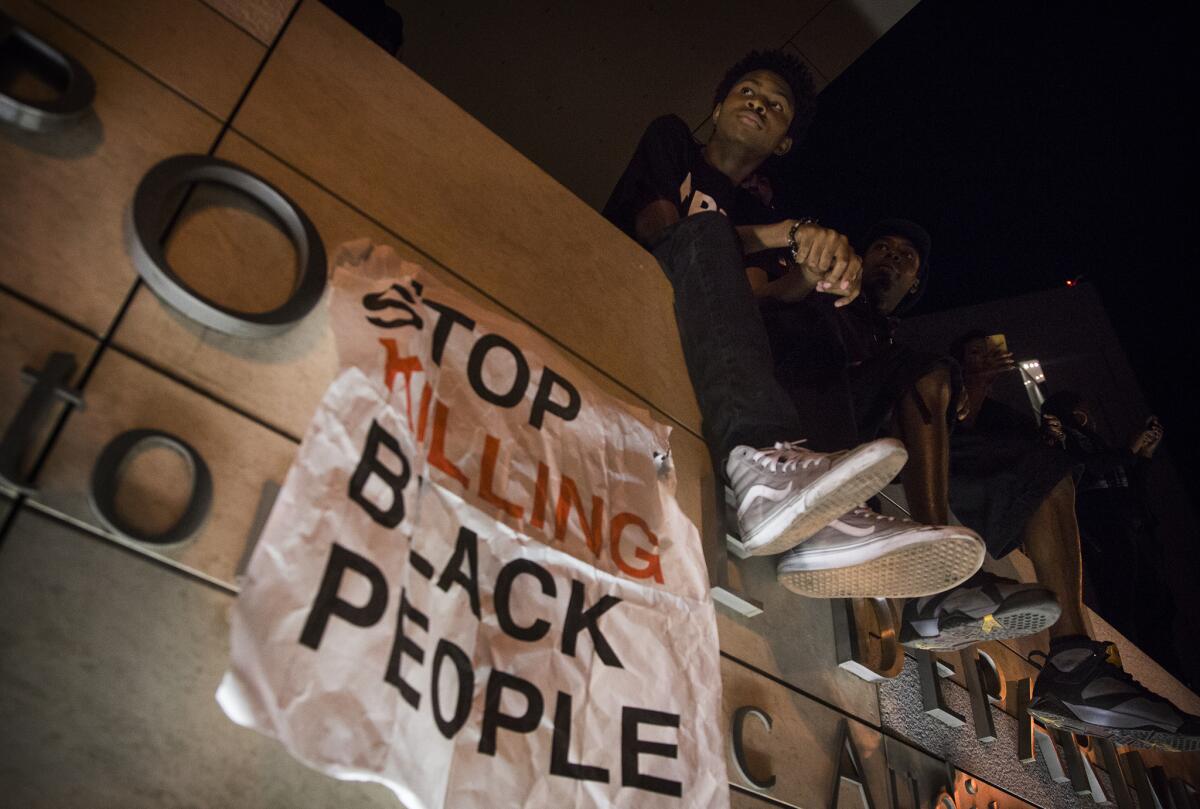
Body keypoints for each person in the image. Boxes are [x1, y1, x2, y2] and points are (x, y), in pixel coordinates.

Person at [602, 52, 984, 597]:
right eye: (747, 92)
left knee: (810, 319)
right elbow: (662, 231)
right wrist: (786, 232)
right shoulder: (675, 142)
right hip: (622, 281)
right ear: (717, 107)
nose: (757, 102)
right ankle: (757, 466)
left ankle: (819, 525)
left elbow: (748, 298)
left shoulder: (750, 213)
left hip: (693, 315)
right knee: (707, 235)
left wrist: (809, 279)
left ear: (782, 144)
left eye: (775, 106)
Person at [929, 335, 1197, 751]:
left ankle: (1078, 665)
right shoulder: (940, 379)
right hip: (942, 470)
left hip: (1030, 499)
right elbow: (950, 432)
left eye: (990, 351)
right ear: (958, 359)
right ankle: (1072, 662)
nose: (985, 357)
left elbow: (1041, 459)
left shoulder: (1005, 414)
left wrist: (1056, 442)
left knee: (1053, 471)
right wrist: (971, 382)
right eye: (975, 352)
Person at [1041, 392, 1179, 672]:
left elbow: (1127, 484)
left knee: (1156, 602)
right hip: (1103, 531)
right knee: (1121, 601)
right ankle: (1129, 668)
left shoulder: (1093, 440)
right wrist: (1129, 450)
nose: (1086, 413)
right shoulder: (1064, 441)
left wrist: (1144, 455)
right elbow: (1087, 471)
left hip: (1131, 527)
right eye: (1079, 408)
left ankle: (1169, 669)